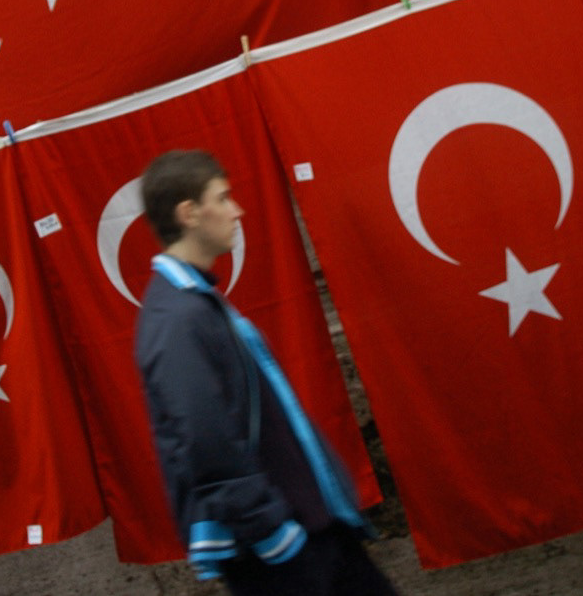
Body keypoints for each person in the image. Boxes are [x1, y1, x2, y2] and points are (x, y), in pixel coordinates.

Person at [134, 150, 398, 595]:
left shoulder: (193, 303)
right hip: (284, 550)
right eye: (223, 198)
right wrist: (272, 533)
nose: (237, 210)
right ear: (189, 213)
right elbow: (204, 440)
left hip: (310, 530)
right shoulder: (177, 318)